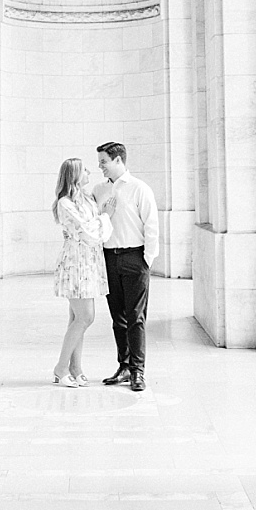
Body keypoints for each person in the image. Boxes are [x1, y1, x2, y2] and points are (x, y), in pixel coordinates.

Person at [94, 141, 159, 392]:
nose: (100, 166)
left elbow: (151, 225)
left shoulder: (139, 188)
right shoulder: (99, 190)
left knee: (136, 318)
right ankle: (123, 365)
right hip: (109, 258)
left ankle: (137, 371)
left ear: (118, 160)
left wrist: (147, 260)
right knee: (117, 317)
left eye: (104, 162)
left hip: (135, 258)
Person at [51, 158, 110, 387]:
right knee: (86, 317)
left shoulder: (86, 199)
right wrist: (106, 217)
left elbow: (94, 231)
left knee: (77, 318)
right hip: (76, 263)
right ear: (74, 175)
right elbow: (88, 232)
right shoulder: (65, 203)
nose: (88, 172)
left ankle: (75, 367)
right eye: (84, 169)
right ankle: (61, 367)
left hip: (90, 262)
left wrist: (100, 220)